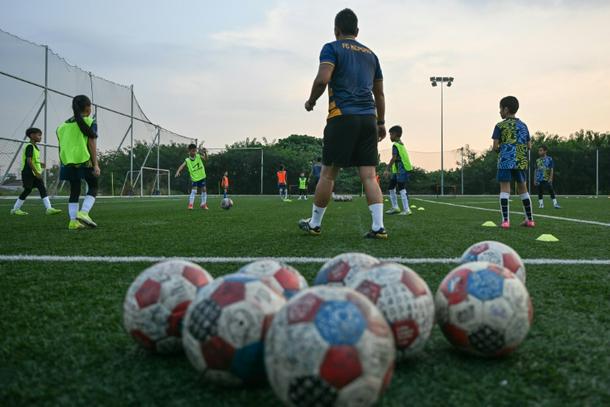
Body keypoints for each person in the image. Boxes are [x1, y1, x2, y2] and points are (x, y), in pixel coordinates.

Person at [299, 8, 387, 238]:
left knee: (328, 173)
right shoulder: (371, 55)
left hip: (342, 117)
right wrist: (381, 122)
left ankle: (315, 223)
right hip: (369, 118)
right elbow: (379, 94)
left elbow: (323, 79)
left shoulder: (332, 48)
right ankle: (378, 227)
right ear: (357, 30)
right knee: (369, 175)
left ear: (336, 30)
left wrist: (310, 101)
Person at [56, 95, 100, 230]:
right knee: (93, 186)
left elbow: (61, 146)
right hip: (84, 159)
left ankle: (73, 221)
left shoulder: (61, 126)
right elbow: (91, 143)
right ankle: (84, 212)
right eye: (90, 106)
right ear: (87, 107)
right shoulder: (90, 121)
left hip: (67, 162)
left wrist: (64, 162)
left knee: (74, 190)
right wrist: (96, 164)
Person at [492, 96, 534, 229]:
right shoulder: (523, 125)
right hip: (521, 160)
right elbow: (529, 145)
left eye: (500, 109)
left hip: (505, 160)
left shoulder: (500, 126)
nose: (499, 112)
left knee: (505, 189)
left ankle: (505, 221)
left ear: (506, 109)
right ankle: (530, 220)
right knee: (523, 188)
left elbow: (495, 146)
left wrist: (503, 150)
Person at [10, 128, 61, 216]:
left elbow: (33, 160)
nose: (40, 137)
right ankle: (15, 209)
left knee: (42, 188)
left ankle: (49, 208)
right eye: (39, 135)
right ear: (32, 135)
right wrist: (36, 173)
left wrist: (40, 164)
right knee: (28, 190)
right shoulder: (29, 146)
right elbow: (29, 161)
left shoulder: (35, 147)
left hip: (34, 172)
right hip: (28, 172)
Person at [383, 125, 412, 216]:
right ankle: (395, 207)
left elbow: (394, 158)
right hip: (398, 170)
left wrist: (387, 169)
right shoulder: (400, 144)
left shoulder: (396, 145)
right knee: (391, 187)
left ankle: (407, 209)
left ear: (395, 134)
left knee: (401, 187)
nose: (390, 137)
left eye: (391, 134)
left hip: (402, 168)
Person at [175, 144, 208, 210]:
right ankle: (190, 205)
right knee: (194, 190)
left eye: (195, 151)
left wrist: (205, 153)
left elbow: (206, 159)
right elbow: (182, 166)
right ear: (189, 151)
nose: (194, 152)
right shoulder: (187, 160)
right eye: (193, 151)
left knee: (204, 189)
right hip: (195, 178)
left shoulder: (198, 156)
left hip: (201, 176)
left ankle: (203, 204)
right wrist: (178, 171)